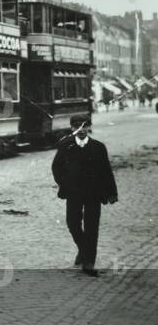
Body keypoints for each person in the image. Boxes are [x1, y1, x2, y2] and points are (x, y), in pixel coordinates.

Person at [51, 116, 118, 276]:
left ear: (89, 127)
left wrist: (111, 192)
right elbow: (56, 167)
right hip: (73, 192)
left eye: (84, 126)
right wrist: (64, 183)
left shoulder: (98, 147)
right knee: (72, 222)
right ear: (72, 128)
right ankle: (83, 248)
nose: (81, 129)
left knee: (92, 226)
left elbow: (106, 171)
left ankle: (89, 262)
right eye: (77, 126)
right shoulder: (65, 145)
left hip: (93, 193)